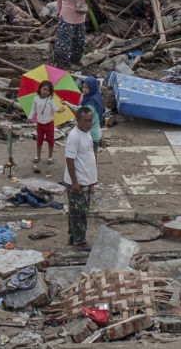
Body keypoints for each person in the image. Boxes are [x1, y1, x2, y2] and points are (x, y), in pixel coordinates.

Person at [63, 106, 100, 252]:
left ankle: (73, 237)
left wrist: (92, 179)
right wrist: (75, 183)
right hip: (77, 182)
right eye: (85, 121)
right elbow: (69, 160)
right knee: (79, 213)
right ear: (77, 120)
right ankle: (80, 242)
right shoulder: (74, 136)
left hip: (86, 179)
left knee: (78, 211)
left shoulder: (87, 133)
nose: (88, 124)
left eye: (90, 120)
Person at [53, 0, 92, 70]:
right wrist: (58, 12)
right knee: (64, 42)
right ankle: (64, 62)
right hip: (67, 17)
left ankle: (76, 60)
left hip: (80, 17)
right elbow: (59, 1)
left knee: (79, 41)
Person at [30, 85, 59, 172]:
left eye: (48, 90)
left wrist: (59, 110)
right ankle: (38, 156)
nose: (45, 91)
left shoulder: (50, 99)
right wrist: (30, 117)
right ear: (40, 89)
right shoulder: (35, 99)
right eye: (44, 89)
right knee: (39, 139)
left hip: (49, 122)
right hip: (40, 123)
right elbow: (33, 109)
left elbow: (54, 108)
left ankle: (50, 157)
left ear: (50, 92)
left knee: (50, 139)